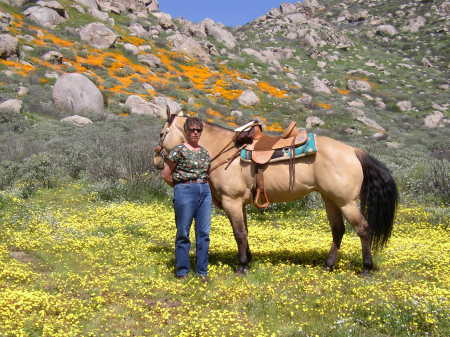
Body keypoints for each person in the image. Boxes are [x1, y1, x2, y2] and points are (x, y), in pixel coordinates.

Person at [161, 117, 212, 280]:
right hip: (185, 190)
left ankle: (202, 271)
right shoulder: (178, 150)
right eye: (192, 130)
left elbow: (208, 172)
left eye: (198, 130)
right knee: (183, 232)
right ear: (186, 131)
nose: (195, 133)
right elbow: (166, 174)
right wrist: (180, 188)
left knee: (203, 232)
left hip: (204, 190)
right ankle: (182, 271)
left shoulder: (204, 152)